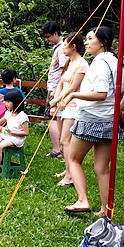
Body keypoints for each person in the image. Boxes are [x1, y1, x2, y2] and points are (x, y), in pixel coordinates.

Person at [61, 27, 124, 216]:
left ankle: (82, 200)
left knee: (73, 159)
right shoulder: (115, 61)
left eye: (89, 39)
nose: (86, 42)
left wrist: (73, 93)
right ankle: (105, 209)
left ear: (102, 42)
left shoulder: (99, 63)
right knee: (102, 168)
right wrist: (117, 109)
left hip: (91, 119)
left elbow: (101, 94)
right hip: (109, 121)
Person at [48, 33, 88, 186]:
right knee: (63, 140)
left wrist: (57, 101)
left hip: (74, 105)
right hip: (62, 104)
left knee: (66, 140)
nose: (63, 48)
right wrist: (56, 100)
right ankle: (68, 169)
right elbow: (60, 83)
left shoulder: (82, 64)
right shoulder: (69, 62)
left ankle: (70, 175)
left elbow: (72, 87)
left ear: (74, 46)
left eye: (65, 45)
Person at [41, 21, 69, 159]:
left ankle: (57, 149)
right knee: (53, 117)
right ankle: (60, 149)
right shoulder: (58, 47)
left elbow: (65, 71)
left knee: (51, 117)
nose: (47, 39)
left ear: (56, 33)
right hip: (54, 88)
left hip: (56, 89)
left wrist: (56, 91)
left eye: (48, 36)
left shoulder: (63, 48)